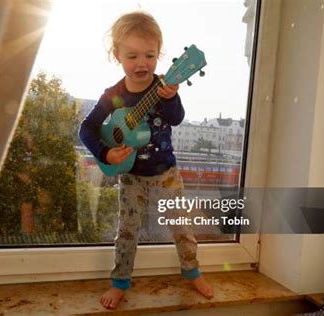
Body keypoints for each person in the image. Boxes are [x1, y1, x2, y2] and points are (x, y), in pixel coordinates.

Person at [79, 11, 214, 310]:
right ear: (117, 56)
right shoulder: (112, 96)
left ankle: (192, 272)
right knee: (126, 231)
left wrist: (171, 97)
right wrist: (105, 153)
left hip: (165, 173)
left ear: (160, 54)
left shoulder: (164, 86)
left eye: (149, 55)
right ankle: (120, 283)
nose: (142, 63)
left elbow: (177, 119)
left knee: (181, 226)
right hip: (130, 176)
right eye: (133, 55)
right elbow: (86, 129)